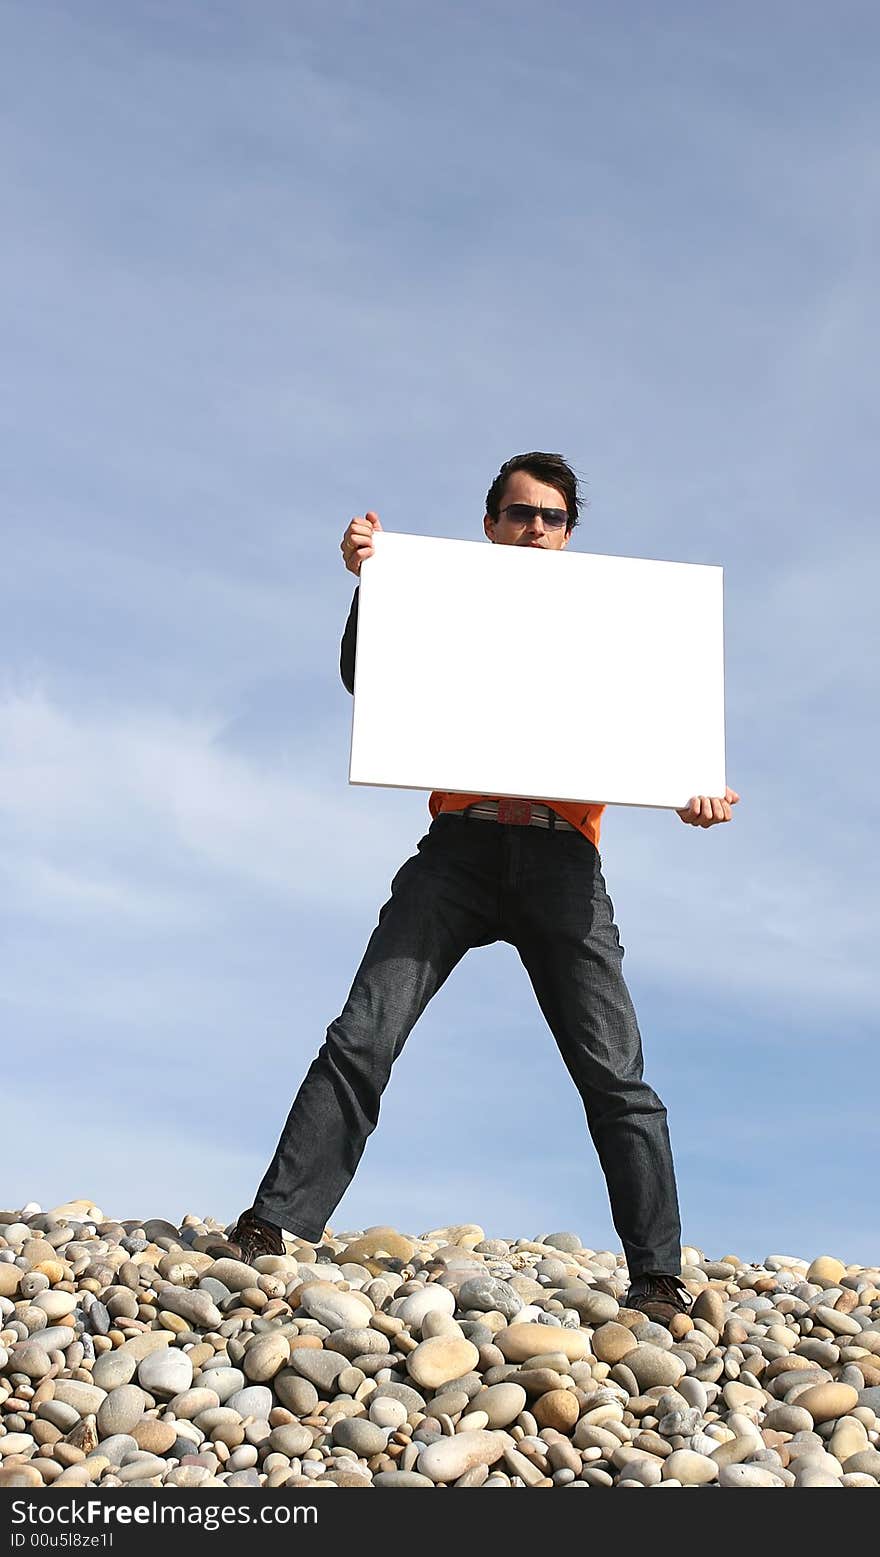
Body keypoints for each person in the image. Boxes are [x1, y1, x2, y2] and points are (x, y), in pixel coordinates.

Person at [231, 452, 739, 1326]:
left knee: (617, 1076)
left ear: (569, 532)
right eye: (516, 512)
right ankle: (271, 1225)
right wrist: (374, 583)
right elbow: (370, 679)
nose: (532, 527)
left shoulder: (617, 623)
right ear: (490, 523)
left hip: (563, 861)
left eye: (548, 515)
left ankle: (657, 1275)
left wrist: (696, 786)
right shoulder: (445, 600)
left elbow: (667, 721)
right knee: (364, 1033)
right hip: (459, 849)